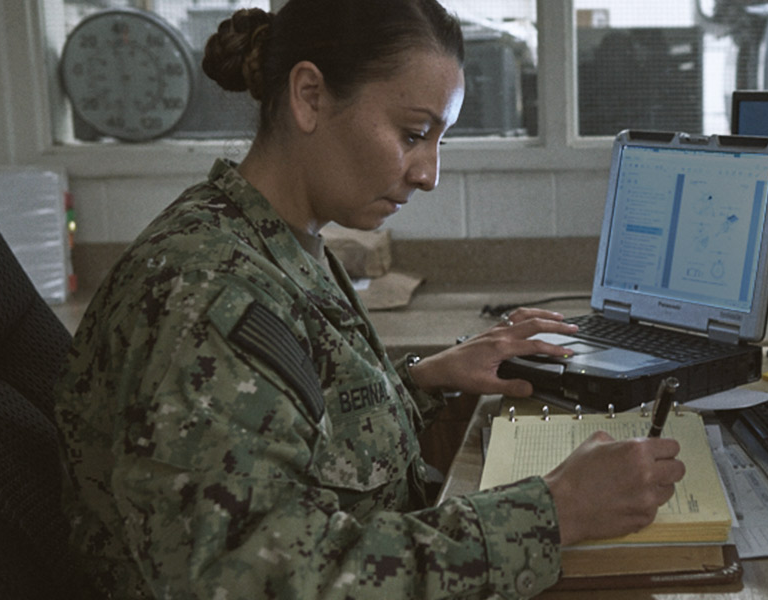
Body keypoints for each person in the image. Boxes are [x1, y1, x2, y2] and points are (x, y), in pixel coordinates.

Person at [53, 1, 686, 597]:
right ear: (309, 97)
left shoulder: (282, 243)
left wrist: (424, 382)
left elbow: (304, 442)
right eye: (414, 133)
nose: (429, 174)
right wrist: (553, 512)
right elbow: (252, 578)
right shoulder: (207, 294)